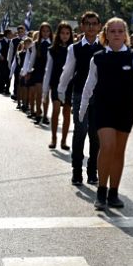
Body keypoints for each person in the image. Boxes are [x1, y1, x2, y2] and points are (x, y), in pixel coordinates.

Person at [79, 17, 133, 210]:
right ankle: (101, 191)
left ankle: (113, 193)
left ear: (125, 35)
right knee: (107, 146)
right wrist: (82, 108)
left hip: (125, 110)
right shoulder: (98, 57)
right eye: (113, 31)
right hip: (104, 108)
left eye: (120, 31)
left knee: (119, 151)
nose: (116, 34)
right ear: (106, 34)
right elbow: (89, 84)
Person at [58, 12, 103, 186]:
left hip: (99, 96)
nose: (91, 27)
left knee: (95, 135)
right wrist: (61, 90)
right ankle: (77, 172)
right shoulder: (74, 48)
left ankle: (93, 171)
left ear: (99, 26)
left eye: (94, 24)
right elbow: (67, 71)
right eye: (88, 24)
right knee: (80, 132)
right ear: (82, 26)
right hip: (79, 95)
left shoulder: (105, 47)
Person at [43, 22, 74, 150]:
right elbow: (48, 69)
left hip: (70, 84)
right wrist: (45, 91)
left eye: (67, 33)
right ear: (58, 34)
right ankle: (54, 138)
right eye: (62, 33)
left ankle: (64, 140)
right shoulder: (52, 50)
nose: (65, 36)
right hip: (56, 83)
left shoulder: (74, 49)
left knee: (67, 113)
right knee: (56, 110)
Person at [23, 23, 53, 124]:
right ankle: (38, 115)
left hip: (48, 71)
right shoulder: (36, 44)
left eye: (47, 31)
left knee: (46, 95)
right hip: (38, 71)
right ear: (40, 32)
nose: (45, 33)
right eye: (43, 31)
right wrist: (28, 71)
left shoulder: (53, 43)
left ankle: (45, 115)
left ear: (50, 32)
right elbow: (32, 59)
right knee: (39, 94)